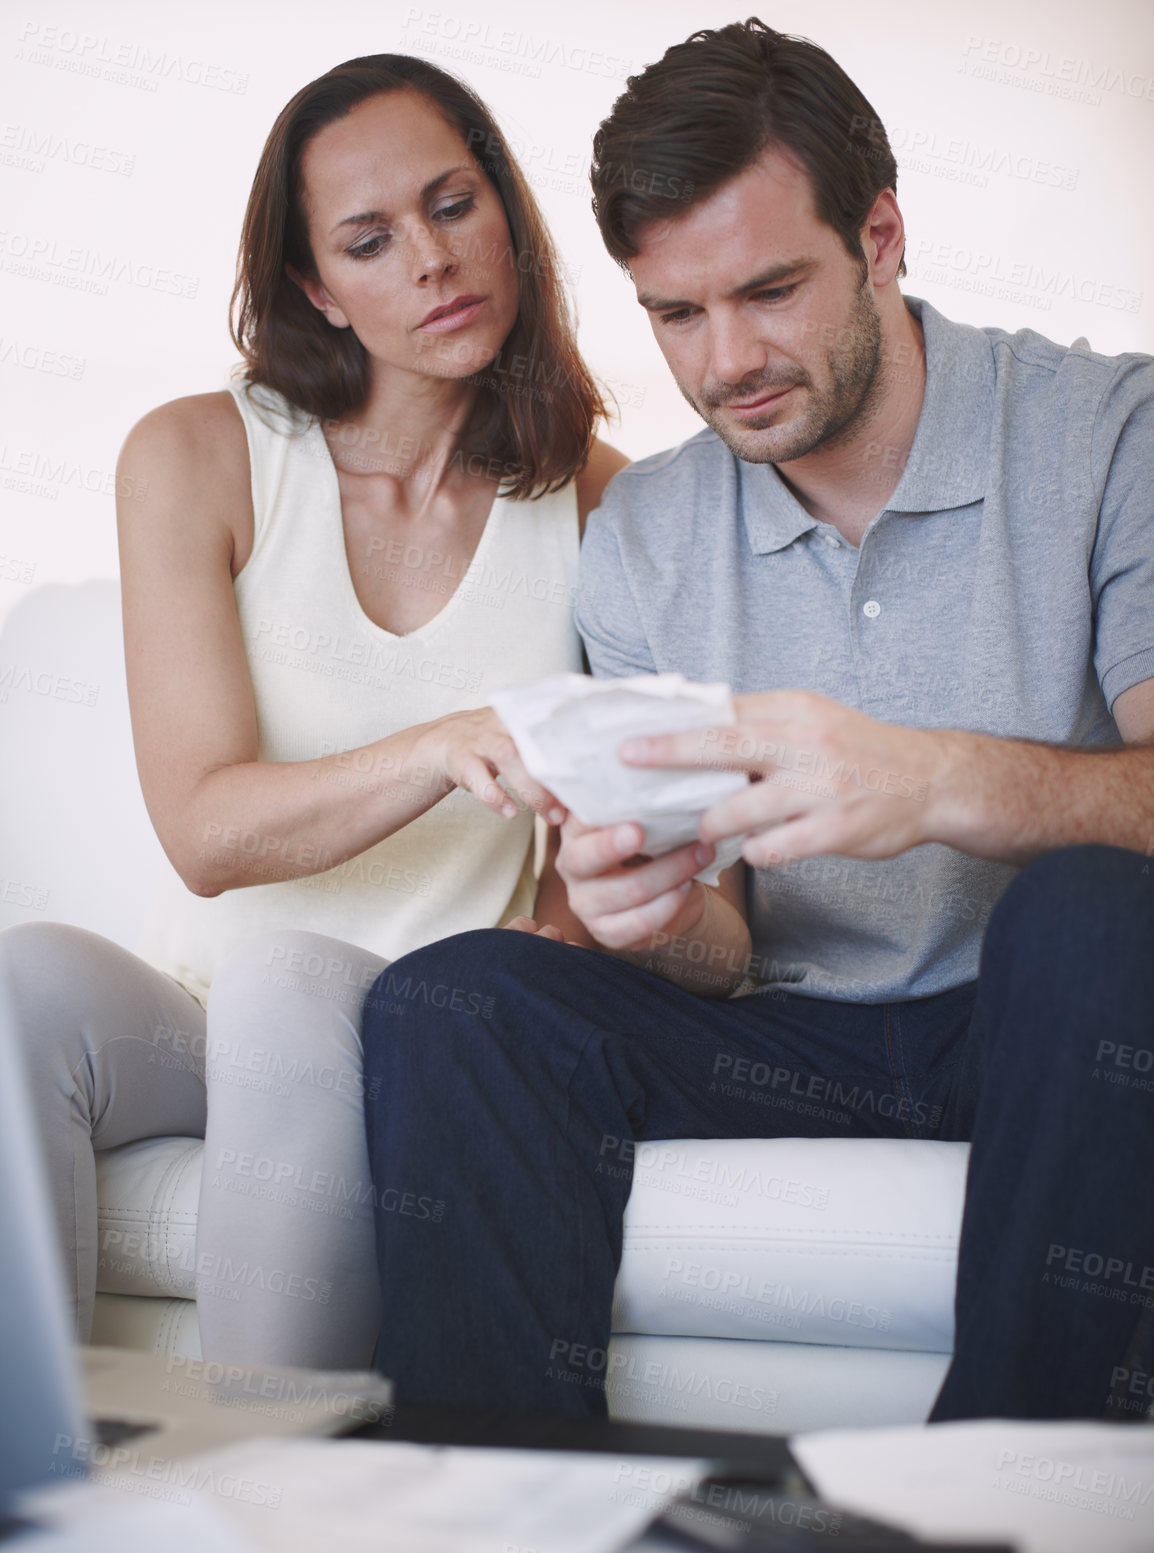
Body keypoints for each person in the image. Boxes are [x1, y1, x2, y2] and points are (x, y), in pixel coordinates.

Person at [360, 18, 1154, 1423]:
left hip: (1052, 1023)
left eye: (771, 289)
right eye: (675, 314)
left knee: (1093, 913)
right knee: (452, 996)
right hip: (795, 1039)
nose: (726, 361)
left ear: (881, 236)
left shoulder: (1105, 435)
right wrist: (649, 912)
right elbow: (721, 949)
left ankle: (1005, 1520)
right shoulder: (647, 533)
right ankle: (505, 1533)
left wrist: (938, 781)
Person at [0, 52, 624, 1369]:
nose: (432, 262)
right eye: (367, 240)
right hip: (208, 1013)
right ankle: (31, 1509)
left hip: (433, 1032)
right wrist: (437, 749)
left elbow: (598, 871)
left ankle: (260, 1508)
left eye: (454, 206)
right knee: (20, 985)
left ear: (508, 212)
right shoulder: (196, 454)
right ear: (313, 288)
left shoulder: (603, 504)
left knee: (294, 984)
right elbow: (206, 833)